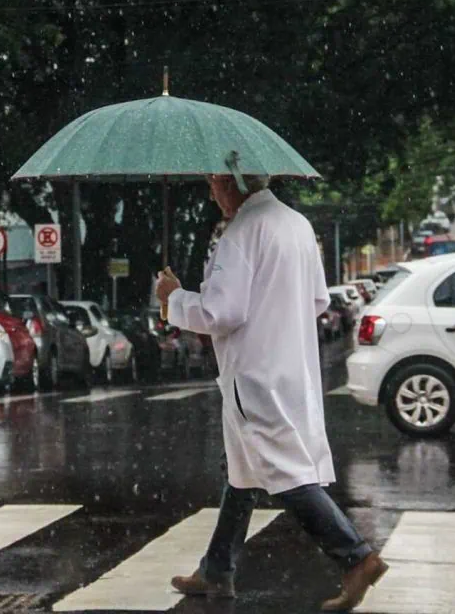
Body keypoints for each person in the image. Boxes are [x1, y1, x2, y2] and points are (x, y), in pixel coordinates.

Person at [154, 174, 387, 612]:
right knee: (242, 473)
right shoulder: (296, 224)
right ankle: (217, 568)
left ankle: (356, 557)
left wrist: (175, 297)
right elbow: (318, 300)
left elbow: (220, 312)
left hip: (254, 375)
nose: (211, 193)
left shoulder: (242, 231)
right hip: (290, 366)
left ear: (233, 181)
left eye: (214, 183)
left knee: (285, 471)